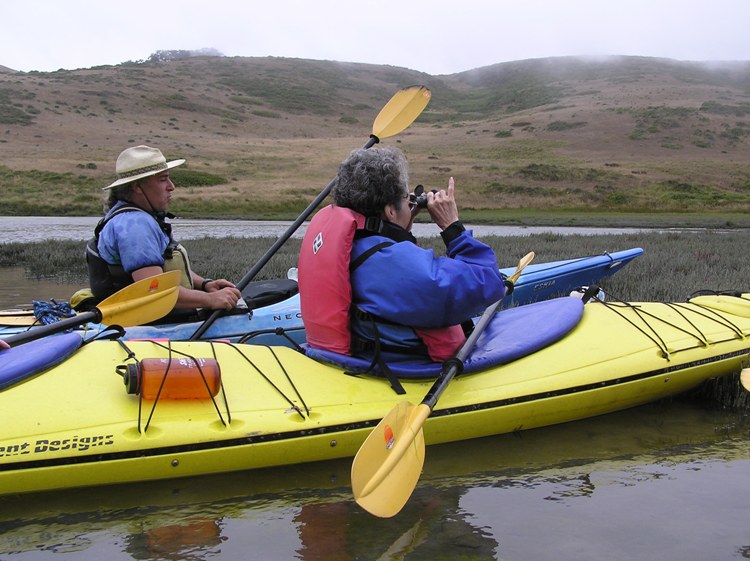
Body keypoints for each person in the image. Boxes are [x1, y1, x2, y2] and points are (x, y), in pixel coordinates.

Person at [298, 146, 505, 365]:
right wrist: (452, 227)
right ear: (389, 210)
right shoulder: (390, 266)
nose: (411, 202)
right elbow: (488, 281)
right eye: (406, 197)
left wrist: (401, 227)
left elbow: (387, 256)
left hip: (345, 357)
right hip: (402, 371)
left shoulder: (350, 245)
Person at [86, 145, 241, 314]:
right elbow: (154, 291)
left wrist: (205, 284)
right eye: (162, 179)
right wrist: (211, 300)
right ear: (137, 187)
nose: (171, 186)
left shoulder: (134, 217)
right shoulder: (135, 226)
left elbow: (165, 267)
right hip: (147, 326)